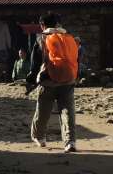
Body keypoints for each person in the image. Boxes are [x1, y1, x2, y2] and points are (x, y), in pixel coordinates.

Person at [27, 12, 79, 152]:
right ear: (58, 24)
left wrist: (31, 80)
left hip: (48, 81)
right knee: (68, 112)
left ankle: (39, 137)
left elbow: (35, 64)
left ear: (42, 25)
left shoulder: (41, 39)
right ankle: (70, 142)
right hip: (68, 80)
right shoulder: (69, 37)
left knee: (43, 111)